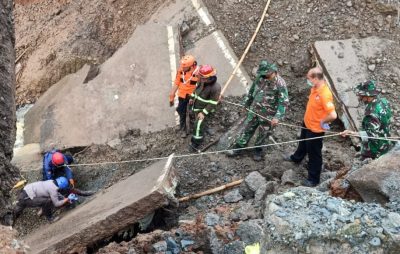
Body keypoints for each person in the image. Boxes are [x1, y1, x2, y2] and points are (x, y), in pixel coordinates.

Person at [284, 67, 337, 187]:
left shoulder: (325, 94)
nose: (307, 80)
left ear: (316, 78)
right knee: (302, 143)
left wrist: (322, 121)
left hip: (315, 130)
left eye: (309, 78)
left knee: (314, 153)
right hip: (307, 123)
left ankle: (313, 179)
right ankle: (297, 158)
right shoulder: (315, 88)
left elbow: (333, 115)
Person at [227, 60, 289, 161]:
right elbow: (252, 91)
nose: (264, 77)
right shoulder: (260, 78)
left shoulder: (280, 84)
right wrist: (246, 103)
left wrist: (277, 117)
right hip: (255, 110)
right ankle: (239, 147)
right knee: (247, 128)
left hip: (268, 115)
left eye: (266, 75)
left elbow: (284, 102)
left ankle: (258, 150)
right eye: (262, 74)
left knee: (264, 133)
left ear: (273, 72)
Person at [340, 80, 394, 159]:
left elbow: (371, 136)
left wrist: (351, 133)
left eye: (360, 95)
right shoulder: (384, 101)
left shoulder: (371, 113)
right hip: (386, 144)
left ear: (367, 96)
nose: (359, 97)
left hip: (375, 151)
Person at [13, 176, 77, 223]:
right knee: (47, 201)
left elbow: (56, 194)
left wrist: (64, 198)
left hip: (25, 192)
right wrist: (67, 199)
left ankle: (9, 221)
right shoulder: (53, 189)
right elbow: (56, 204)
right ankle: (50, 219)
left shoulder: (51, 182)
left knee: (16, 211)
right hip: (27, 198)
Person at [188, 64, 221, 151]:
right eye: (201, 77)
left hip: (204, 109)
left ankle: (196, 142)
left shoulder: (216, 88)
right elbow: (195, 90)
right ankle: (202, 127)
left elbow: (213, 102)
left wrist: (203, 113)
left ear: (210, 77)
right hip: (196, 106)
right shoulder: (201, 81)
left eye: (203, 77)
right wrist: (192, 98)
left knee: (198, 125)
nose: (201, 79)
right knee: (195, 119)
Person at [169, 55, 199, 138]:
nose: (182, 68)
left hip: (192, 96)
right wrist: (172, 95)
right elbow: (177, 82)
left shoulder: (197, 73)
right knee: (181, 111)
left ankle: (192, 129)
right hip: (182, 96)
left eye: (184, 67)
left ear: (191, 66)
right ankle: (183, 129)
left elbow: (201, 86)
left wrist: (194, 97)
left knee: (191, 113)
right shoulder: (181, 71)